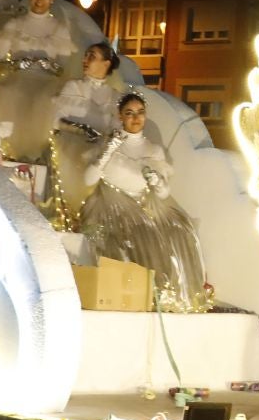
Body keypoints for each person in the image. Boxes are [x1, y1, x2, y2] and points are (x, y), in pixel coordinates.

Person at [80, 91, 210, 312]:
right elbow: (88, 180)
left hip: (147, 203)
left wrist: (157, 182)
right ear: (120, 116)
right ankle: (145, 295)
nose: (135, 118)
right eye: (129, 113)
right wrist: (108, 151)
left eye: (140, 112)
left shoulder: (154, 150)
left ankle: (177, 295)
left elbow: (164, 193)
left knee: (180, 229)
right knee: (140, 233)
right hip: (113, 204)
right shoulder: (109, 143)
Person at [0, 0, 82, 161]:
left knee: (46, 100)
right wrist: (17, 65)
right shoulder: (14, 25)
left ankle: (36, 154)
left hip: (46, 82)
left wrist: (45, 65)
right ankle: (8, 153)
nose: (39, 0)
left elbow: (62, 67)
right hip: (17, 78)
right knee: (8, 94)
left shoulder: (59, 29)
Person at [55, 43, 126, 137]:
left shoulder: (116, 96)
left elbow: (119, 129)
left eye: (92, 56)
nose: (84, 60)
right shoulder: (74, 86)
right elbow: (56, 119)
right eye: (85, 56)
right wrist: (81, 130)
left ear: (106, 64)